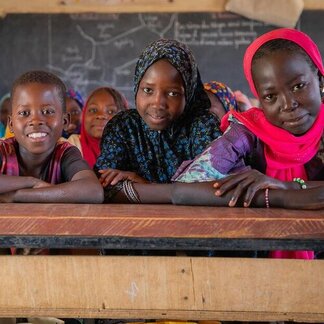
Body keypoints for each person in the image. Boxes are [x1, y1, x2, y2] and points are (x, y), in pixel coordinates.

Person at [171, 28, 324, 259]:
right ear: (259, 99)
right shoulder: (248, 131)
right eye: (270, 97)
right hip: (257, 258)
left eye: (298, 86)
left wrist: (283, 187)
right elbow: (186, 186)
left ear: (320, 79)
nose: (288, 104)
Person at [95, 39, 237, 201]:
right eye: (148, 90)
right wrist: (178, 193)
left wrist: (145, 185)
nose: (158, 103)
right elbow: (105, 188)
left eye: (172, 93)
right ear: (137, 87)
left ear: (188, 94)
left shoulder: (202, 126)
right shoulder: (123, 126)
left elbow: (214, 191)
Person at [0, 70, 104, 204]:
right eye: (25, 113)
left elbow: (93, 191)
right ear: (11, 124)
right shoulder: (3, 150)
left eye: (48, 111)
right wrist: (31, 182)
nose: (36, 120)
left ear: (65, 121)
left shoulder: (65, 153)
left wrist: (18, 196)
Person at [67, 86, 128, 168]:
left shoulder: (134, 150)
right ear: (84, 113)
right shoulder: (71, 145)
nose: (100, 116)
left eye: (111, 111)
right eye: (93, 110)